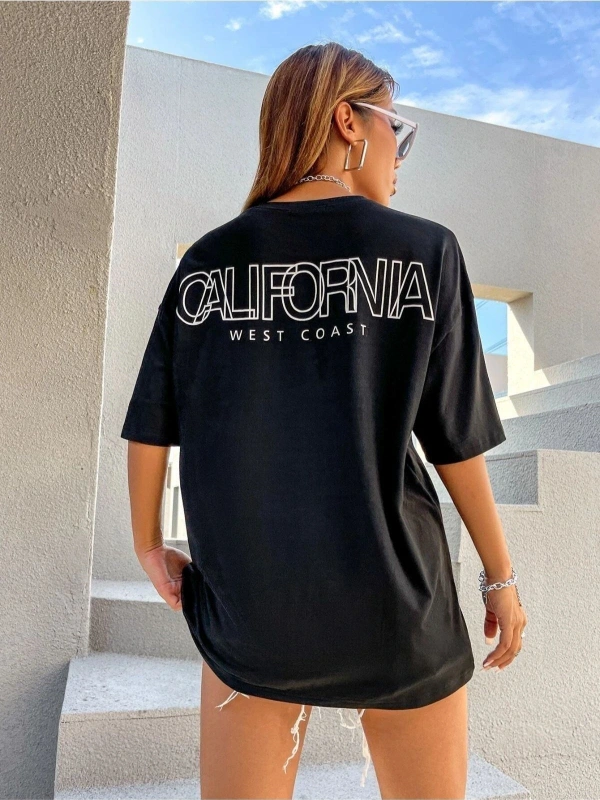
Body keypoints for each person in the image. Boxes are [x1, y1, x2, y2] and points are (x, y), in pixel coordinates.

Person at [121, 41, 528, 800]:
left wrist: (148, 544)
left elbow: (151, 423)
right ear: (349, 121)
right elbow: (457, 440)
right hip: (398, 602)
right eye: (395, 129)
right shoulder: (425, 250)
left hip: (252, 608)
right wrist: (499, 578)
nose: (399, 156)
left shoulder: (208, 262)